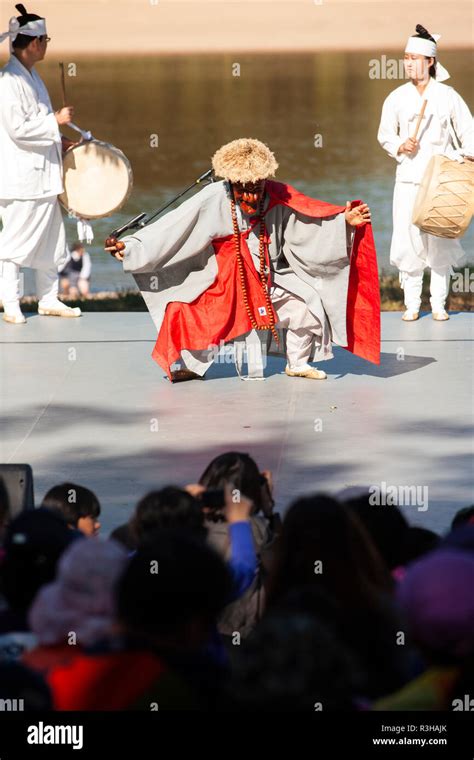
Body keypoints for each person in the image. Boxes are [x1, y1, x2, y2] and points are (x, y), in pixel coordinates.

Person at [105, 138, 379, 382]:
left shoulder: (276, 195)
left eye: (256, 187)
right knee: (192, 315)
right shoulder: (214, 197)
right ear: (231, 183)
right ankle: (191, 365)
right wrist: (129, 248)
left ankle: (297, 363)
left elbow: (308, 222)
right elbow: (172, 227)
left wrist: (343, 222)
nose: (250, 194)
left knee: (308, 307)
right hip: (222, 281)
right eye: (243, 188)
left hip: (268, 279)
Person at [378, 24, 473, 322]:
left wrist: (457, 157)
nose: (408, 63)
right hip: (407, 179)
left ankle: (439, 305)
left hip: (441, 180)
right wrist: (400, 144)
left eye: (414, 58)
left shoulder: (448, 96)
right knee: (408, 241)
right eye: (405, 57)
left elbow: (469, 134)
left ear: (430, 61)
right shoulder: (396, 97)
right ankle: (411, 305)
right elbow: (384, 135)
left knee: (440, 241)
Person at [0, 3, 81, 324]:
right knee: (14, 242)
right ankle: (11, 302)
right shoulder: (8, 81)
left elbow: (34, 124)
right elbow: (17, 129)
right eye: (45, 39)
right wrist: (56, 122)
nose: (47, 44)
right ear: (34, 43)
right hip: (21, 179)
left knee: (53, 242)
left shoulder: (30, 77)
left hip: (43, 177)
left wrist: (59, 140)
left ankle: (48, 298)